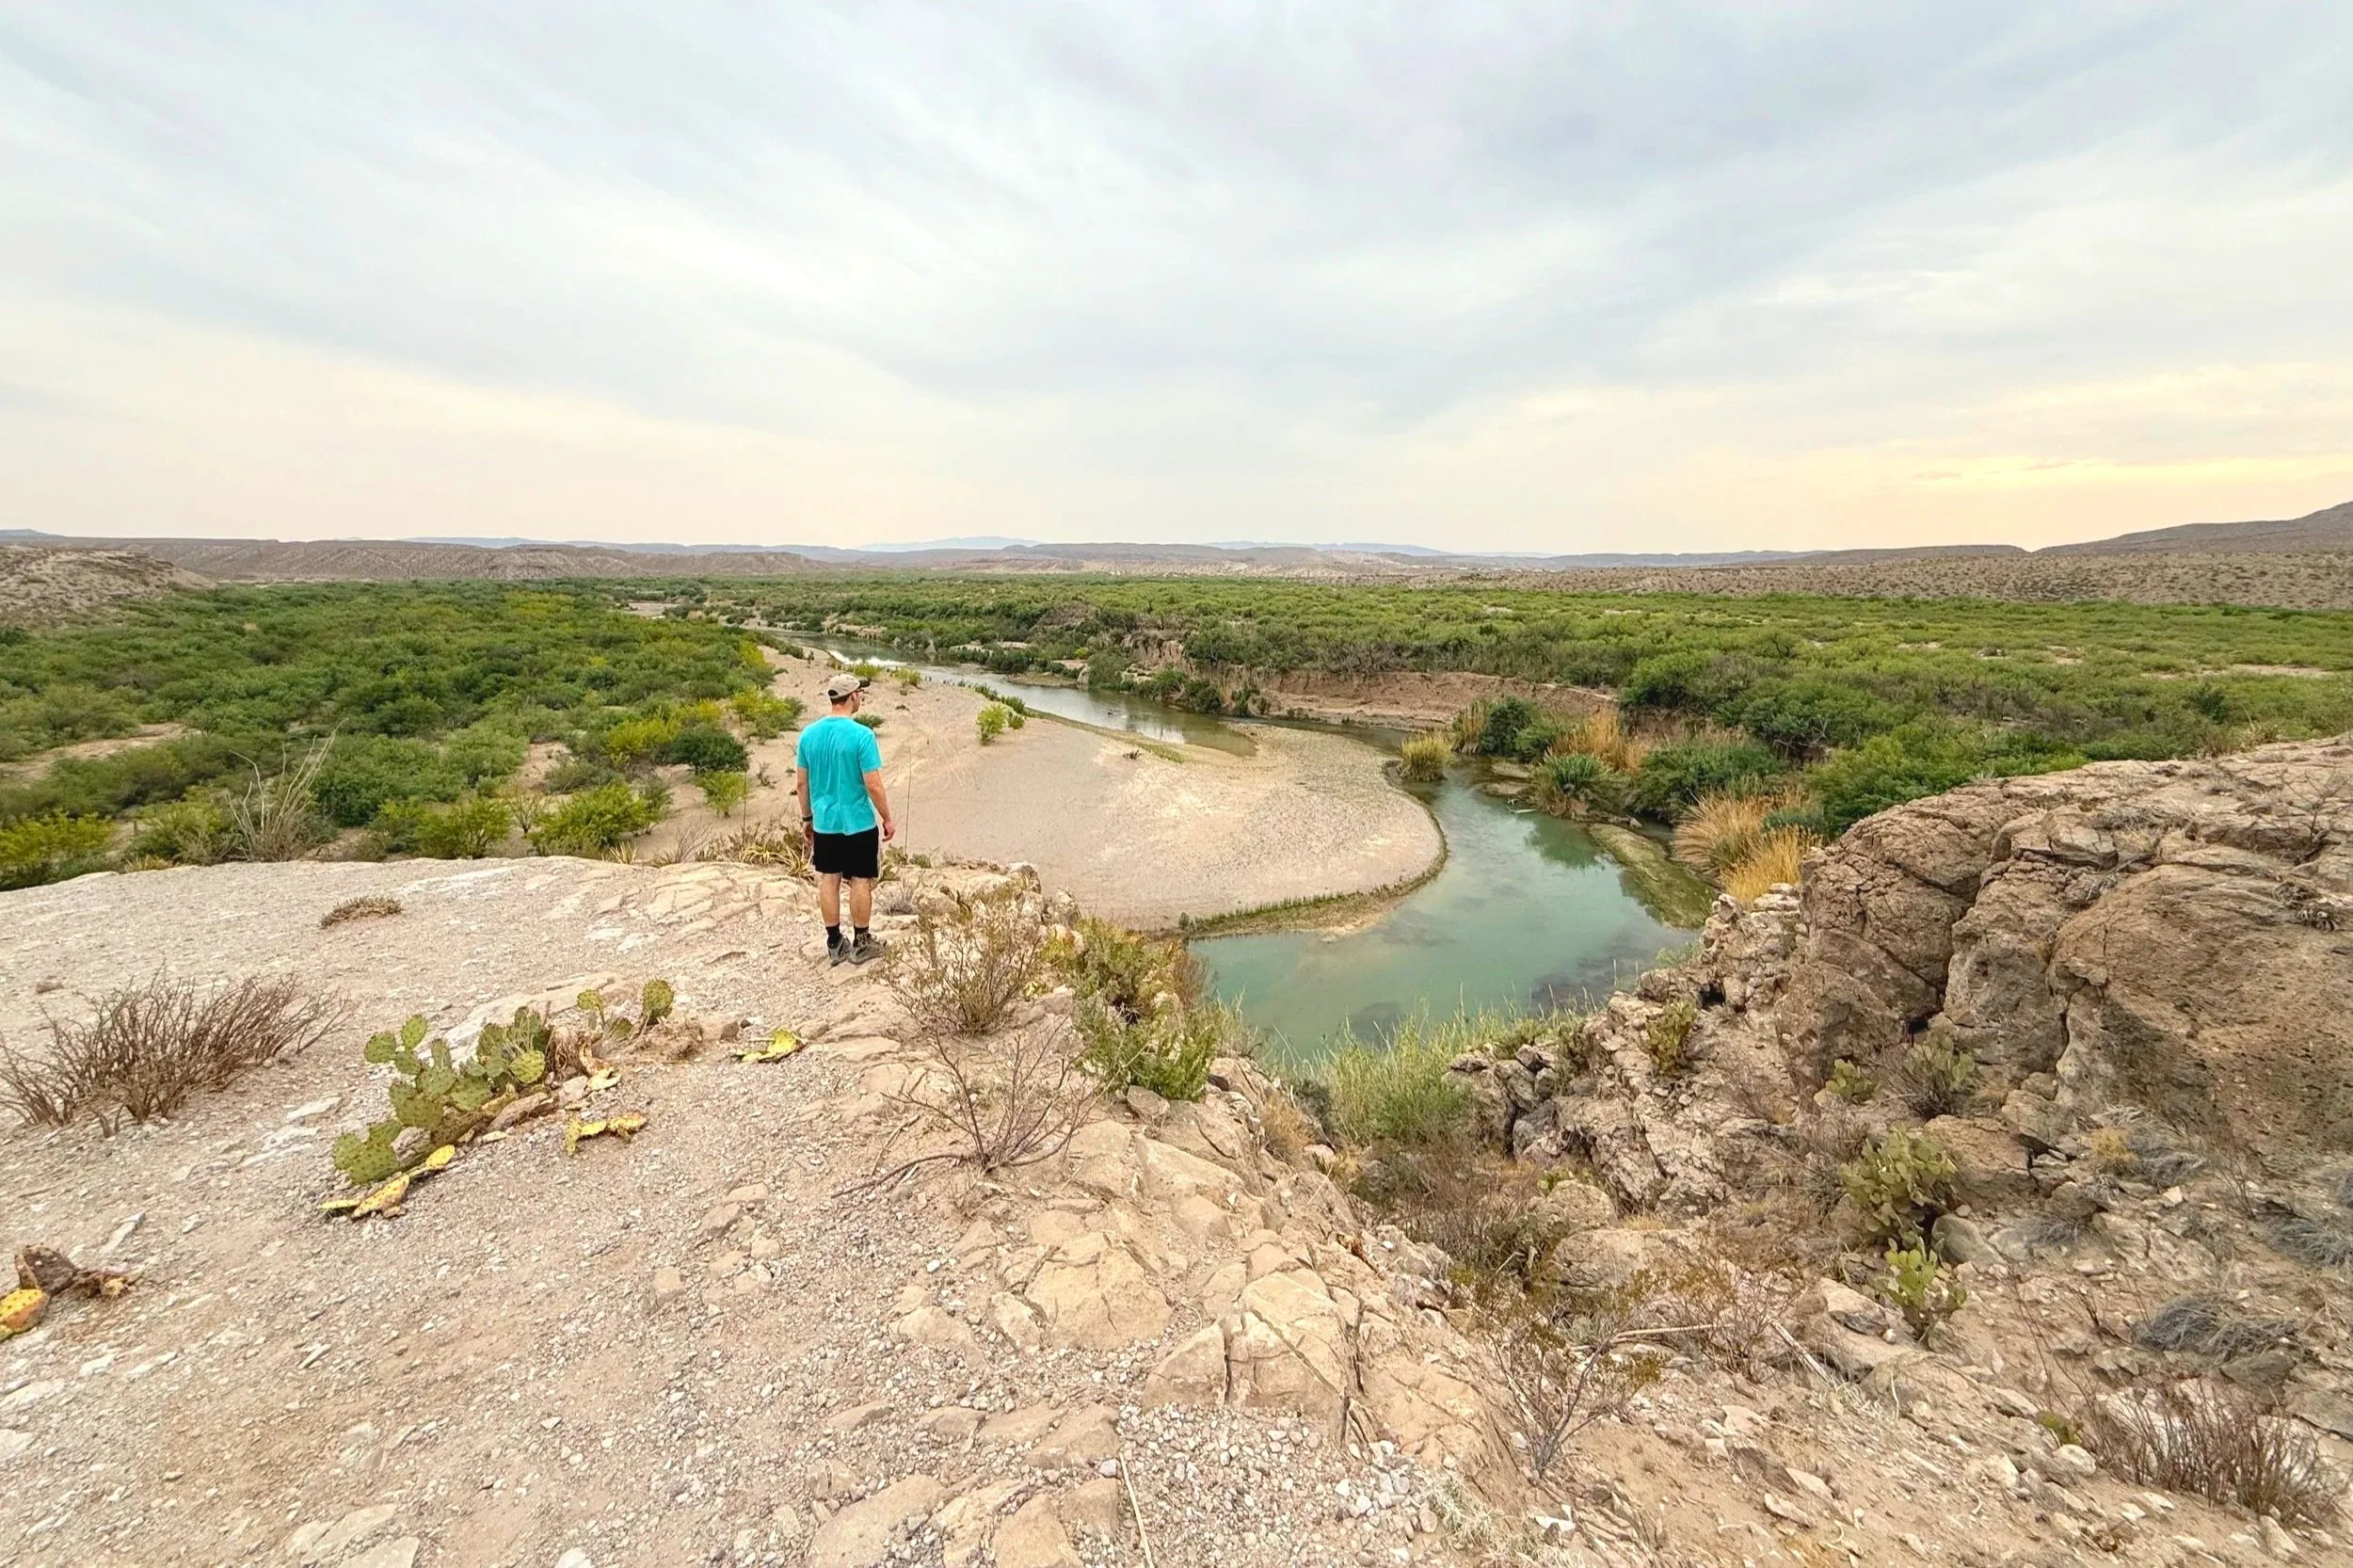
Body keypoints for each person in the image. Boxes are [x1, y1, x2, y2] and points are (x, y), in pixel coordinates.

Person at [796, 672, 897, 965]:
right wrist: (887, 818)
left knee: (829, 878)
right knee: (860, 880)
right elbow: (873, 784)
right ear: (853, 696)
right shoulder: (862, 736)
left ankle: (834, 942)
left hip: (825, 823)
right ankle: (862, 941)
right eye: (860, 693)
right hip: (858, 823)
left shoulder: (809, 735)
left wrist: (807, 818)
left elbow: (802, 784)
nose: (861, 697)